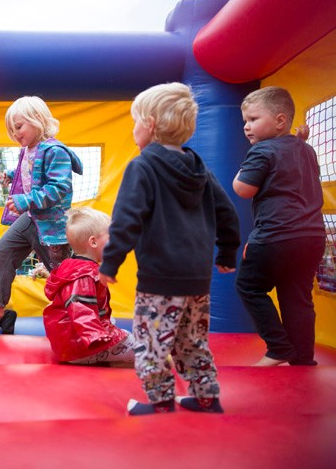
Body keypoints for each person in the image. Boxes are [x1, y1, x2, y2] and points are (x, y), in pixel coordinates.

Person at [99, 82, 240, 415]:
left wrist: (110, 263)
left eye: (134, 122)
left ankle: (161, 402)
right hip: (197, 279)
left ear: (148, 124)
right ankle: (207, 397)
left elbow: (126, 219)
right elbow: (227, 212)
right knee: (192, 340)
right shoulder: (198, 167)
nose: (133, 129)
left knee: (151, 342)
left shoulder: (143, 166)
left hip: (160, 279)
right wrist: (227, 252)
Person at [232, 86, 325, 367]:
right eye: (245, 121)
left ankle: (278, 346)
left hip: (276, 235)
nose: (247, 127)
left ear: (281, 121)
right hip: (312, 237)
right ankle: (302, 357)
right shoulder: (305, 150)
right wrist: (298, 139)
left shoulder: (262, 150)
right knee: (297, 296)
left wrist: (240, 173)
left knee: (249, 287)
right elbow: (292, 167)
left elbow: (243, 189)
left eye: (253, 119)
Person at [0, 96, 83, 320]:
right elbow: (31, 173)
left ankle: (85, 311)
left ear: (38, 119)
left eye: (19, 127)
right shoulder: (29, 150)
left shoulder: (55, 151)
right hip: (32, 218)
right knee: (5, 247)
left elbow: (59, 188)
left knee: (61, 273)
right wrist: (12, 176)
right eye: (11, 130)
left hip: (51, 224)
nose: (15, 133)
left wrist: (26, 200)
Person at [43, 207, 135, 366]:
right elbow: (81, 309)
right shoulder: (84, 275)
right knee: (142, 350)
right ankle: (101, 357)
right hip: (82, 346)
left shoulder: (73, 267)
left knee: (114, 324)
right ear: (93, 242)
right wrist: (96, 338)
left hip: (70, 341)